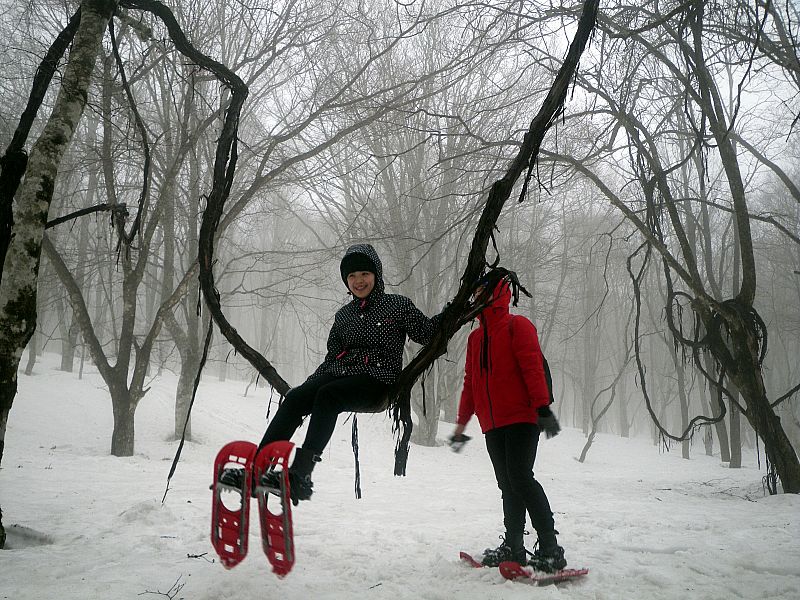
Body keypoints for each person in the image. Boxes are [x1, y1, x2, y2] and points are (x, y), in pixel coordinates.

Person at [222, 243, 442, 503]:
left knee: (328, 395)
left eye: (364, 274)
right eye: (351, 276)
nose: (358, 281)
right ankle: (257, 471)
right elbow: (331, 359)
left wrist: (454, 312)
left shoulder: (397, 305)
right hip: (340, 374)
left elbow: (427, 333)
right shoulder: (343, 316)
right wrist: (306, 389)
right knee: (296, 398)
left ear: (376, 275)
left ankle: (300, 475)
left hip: (378, 380)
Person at [450, 271, 566, 572]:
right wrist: (462, 424)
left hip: (522, 417)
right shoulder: (475, 339)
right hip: (492, 423)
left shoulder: (518, 326)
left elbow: (532, 367)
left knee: (521, 478)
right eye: (474, 293)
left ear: (498, 292)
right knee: (507, 485)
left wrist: (542, 407)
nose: (477, 297)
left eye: (482, 291)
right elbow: (471, 384)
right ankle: (513, 548)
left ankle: (551, 550)